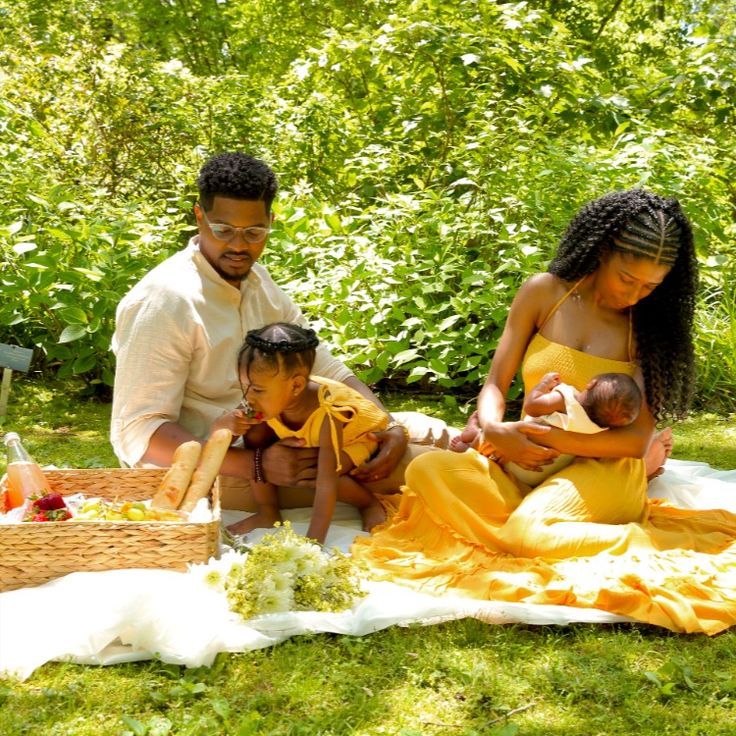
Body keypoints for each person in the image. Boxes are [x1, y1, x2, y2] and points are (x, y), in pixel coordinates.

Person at [353, 189, 736, 635]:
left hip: (603, 470)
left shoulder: (650, 328)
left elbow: (634, 443)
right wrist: (496, 428)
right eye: (627, 279)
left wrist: (546, 440)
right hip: (525, 459)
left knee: (526, 533)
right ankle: (539, 526)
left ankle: (641, 541)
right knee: (428, 472)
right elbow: (496, 383)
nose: (635, 294)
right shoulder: (544, 293)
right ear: (603, 251)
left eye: (650, 286)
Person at [111, 152, 448, 510]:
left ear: (271, 220)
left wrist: (386, 427)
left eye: (254, 232)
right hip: (215, 471)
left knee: (437, 434)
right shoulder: (164, 300)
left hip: (290, 434)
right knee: (433, 469)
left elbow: (323, 367)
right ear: (199, 216)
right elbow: (138, 433)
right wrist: (257, 465)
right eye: (223, 230)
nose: (239, 246)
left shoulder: (259, 283)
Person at [217, 323, 388, 543]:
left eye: (257, 389)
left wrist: (313, 543)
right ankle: (267, 511)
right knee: (255, 436)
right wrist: (228, 426)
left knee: (313, 471)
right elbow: (220, 441)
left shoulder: (329, 413)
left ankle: (368, 503)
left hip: (356, 437)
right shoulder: (269, 399)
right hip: (311, 435)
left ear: (296, 386)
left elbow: (327, 482)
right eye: (244, 387)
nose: (248, 397)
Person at [451, 371, 642, 488]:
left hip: (518, 446)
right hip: (540, 472)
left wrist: (543, 386)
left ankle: (473, 435)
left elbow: (533, 406)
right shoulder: (599, 429)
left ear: (591, 384)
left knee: (492, 442)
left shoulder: (566, 400)